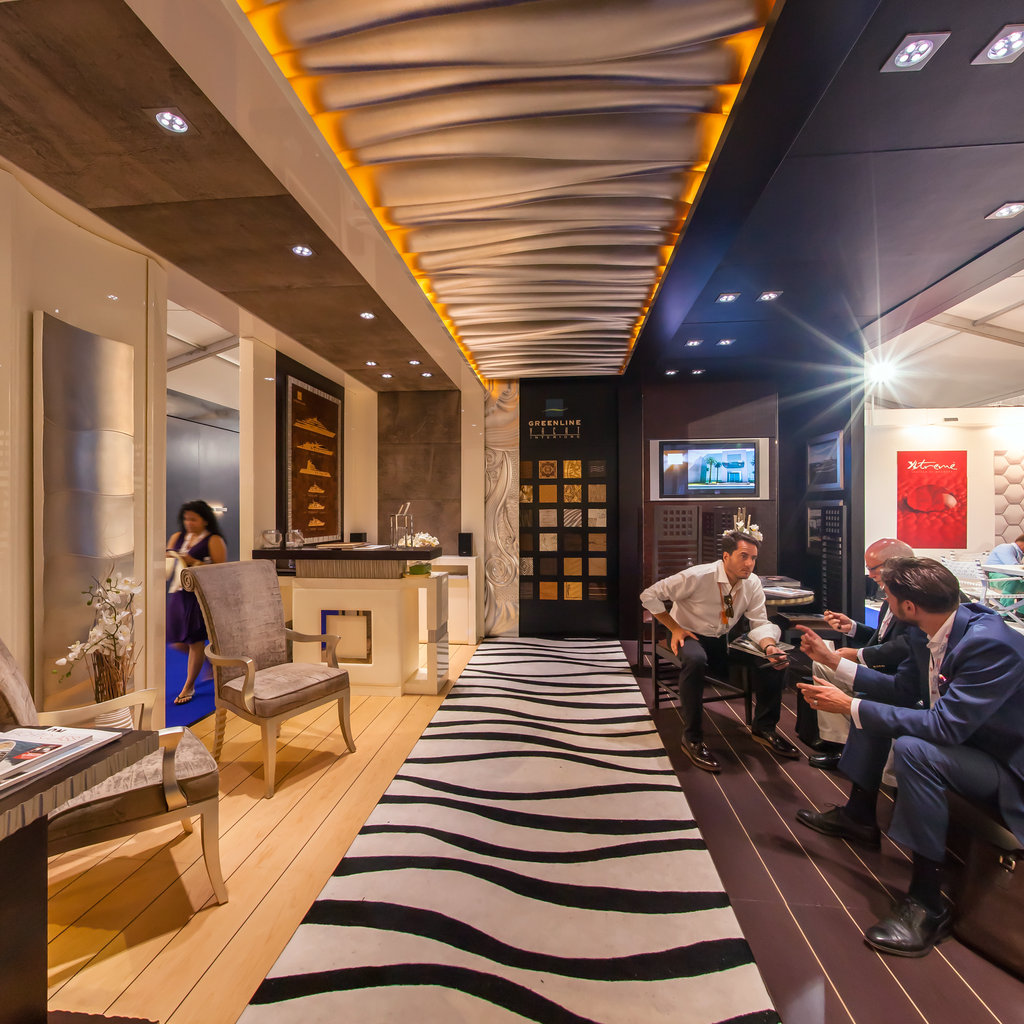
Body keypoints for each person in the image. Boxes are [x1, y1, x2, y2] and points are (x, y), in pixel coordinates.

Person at [793, 557, 1024, 958]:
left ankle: (928, 903)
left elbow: (945, 728)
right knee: (874, 708)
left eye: (886, 593)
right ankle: (859, 815)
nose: (883, 596)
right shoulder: (930, 630)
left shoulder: (990, 644)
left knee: (914, 749)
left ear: (909, 606)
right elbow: (903, 690)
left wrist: (848, 705)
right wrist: (837, 670)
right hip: (972, 744)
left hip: (1005, 765)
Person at [640, 529, 796, 773]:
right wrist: (674, 627)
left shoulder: (752, 583)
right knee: (695, 660)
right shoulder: (698, 576)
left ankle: (764, 728)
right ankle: (692, 738)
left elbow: (759, 622)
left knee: (771, 661)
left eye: (753, 558)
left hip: (723, 638)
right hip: (687, 633)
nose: (749, 564)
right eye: (744, 556)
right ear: (726, 556)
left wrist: (769, 646)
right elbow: (649, 595)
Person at [797, 538, 914, 771]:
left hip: (897, 676)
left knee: (827, 663)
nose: (870, 575)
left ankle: (849, 749)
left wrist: (858, 654)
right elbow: (883, 638)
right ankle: (841, 743)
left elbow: (905, 646)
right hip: (882, 666)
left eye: (873, 568)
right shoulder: (889, 598)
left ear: (895, 564)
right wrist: (851, 627)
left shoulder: (915, 598)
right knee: (823, 666)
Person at [166, 500, 227, 704]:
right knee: (175, 640)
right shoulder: (177, 537)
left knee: (195, 640)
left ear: (205, 520)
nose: (189, 523)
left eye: (193, 519)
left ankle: (188, 686)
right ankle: (210, 661)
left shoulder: (214, 540)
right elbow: (167, 560)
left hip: (198, 595)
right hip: (178, 592)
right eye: (186, 519)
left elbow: (221, 570)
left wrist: (195, 562)